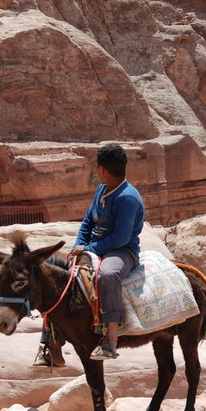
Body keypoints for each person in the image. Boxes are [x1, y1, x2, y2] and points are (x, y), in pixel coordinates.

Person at [32, 143, 144, 367]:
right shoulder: (101, 190)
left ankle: (110, 338)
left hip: (122, 252)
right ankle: (50, 345)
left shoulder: (127, 198)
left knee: (108, 276)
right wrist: (79, 245)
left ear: (102, 169)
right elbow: (87, 221)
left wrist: (90, 249)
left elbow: (121, 238)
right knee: (60, 277)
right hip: (95, 246)